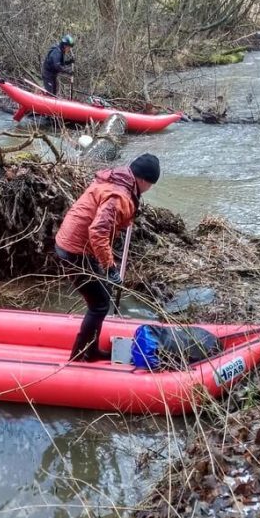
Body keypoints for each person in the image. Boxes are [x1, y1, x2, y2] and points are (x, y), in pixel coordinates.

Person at [54, 153, 161, 362]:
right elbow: (98, 232)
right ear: (143, 180)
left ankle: (90, 349)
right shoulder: (119, 196)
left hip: (76, 245)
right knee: (100, 305)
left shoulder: (115, 179)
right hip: (76, 251)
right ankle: (80, 355)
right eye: (150, 184)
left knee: (102, 295)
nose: (149, 189)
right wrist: (111, 268)